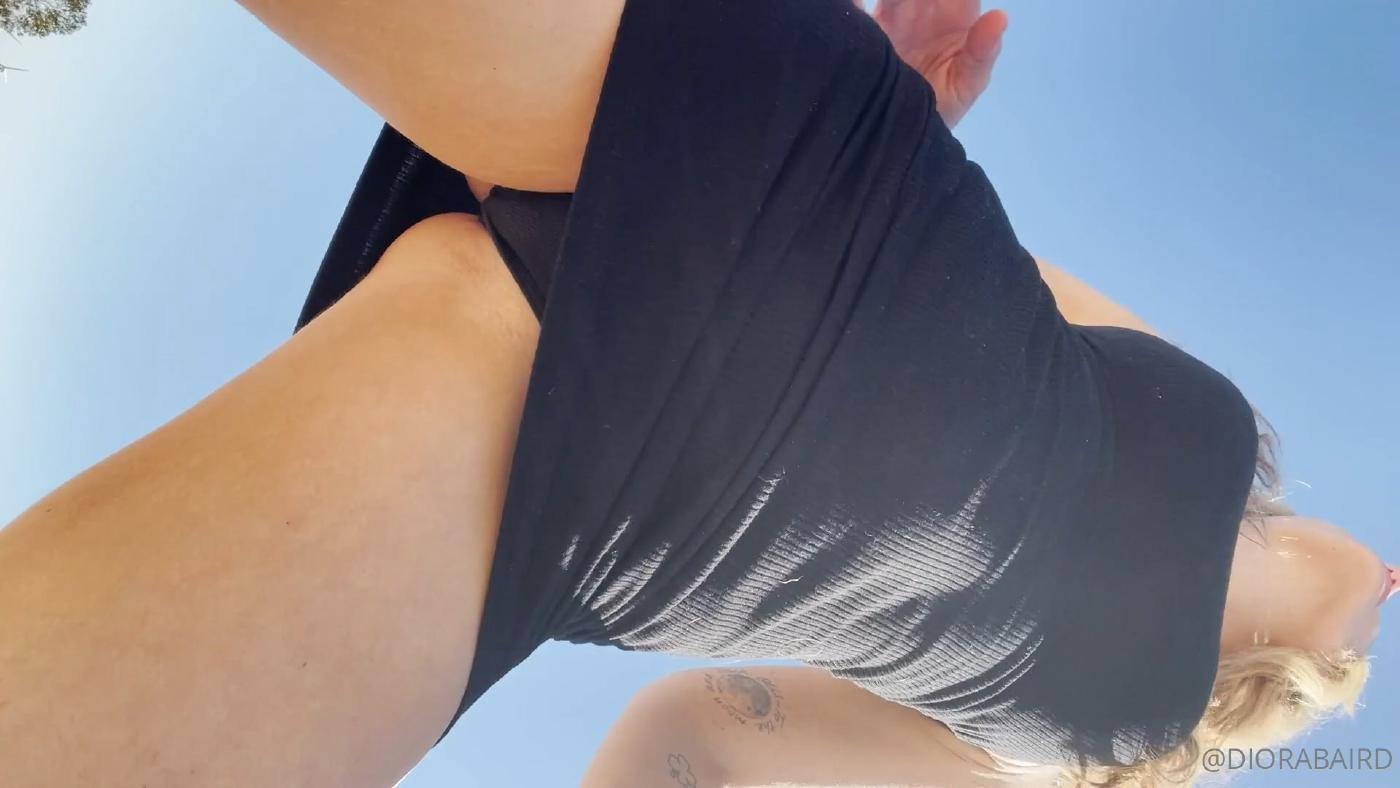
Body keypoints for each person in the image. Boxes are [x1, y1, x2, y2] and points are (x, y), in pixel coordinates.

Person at [0, 2, 1384, 787]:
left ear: (1305, 686)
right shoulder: (1215, 443)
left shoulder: (1075, 753)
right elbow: (1016, 294)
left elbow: (700, 740)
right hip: (802, 166)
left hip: (599, 506)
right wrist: (917, 114)